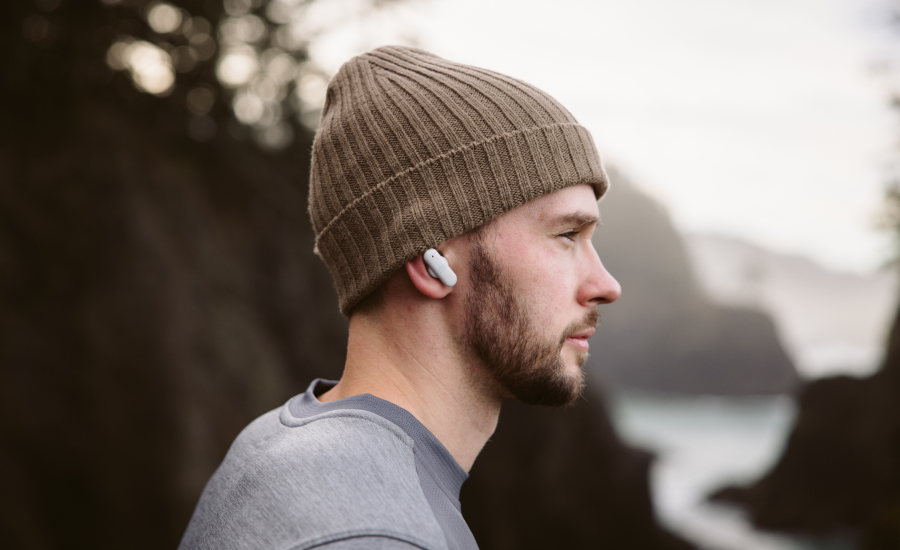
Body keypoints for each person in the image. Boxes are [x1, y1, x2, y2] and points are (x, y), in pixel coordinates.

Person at [178, 45, 621, 550]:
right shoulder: (375, 535)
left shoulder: (272, 444)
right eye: (567, 236)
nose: (606, 285)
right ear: (431, 264)